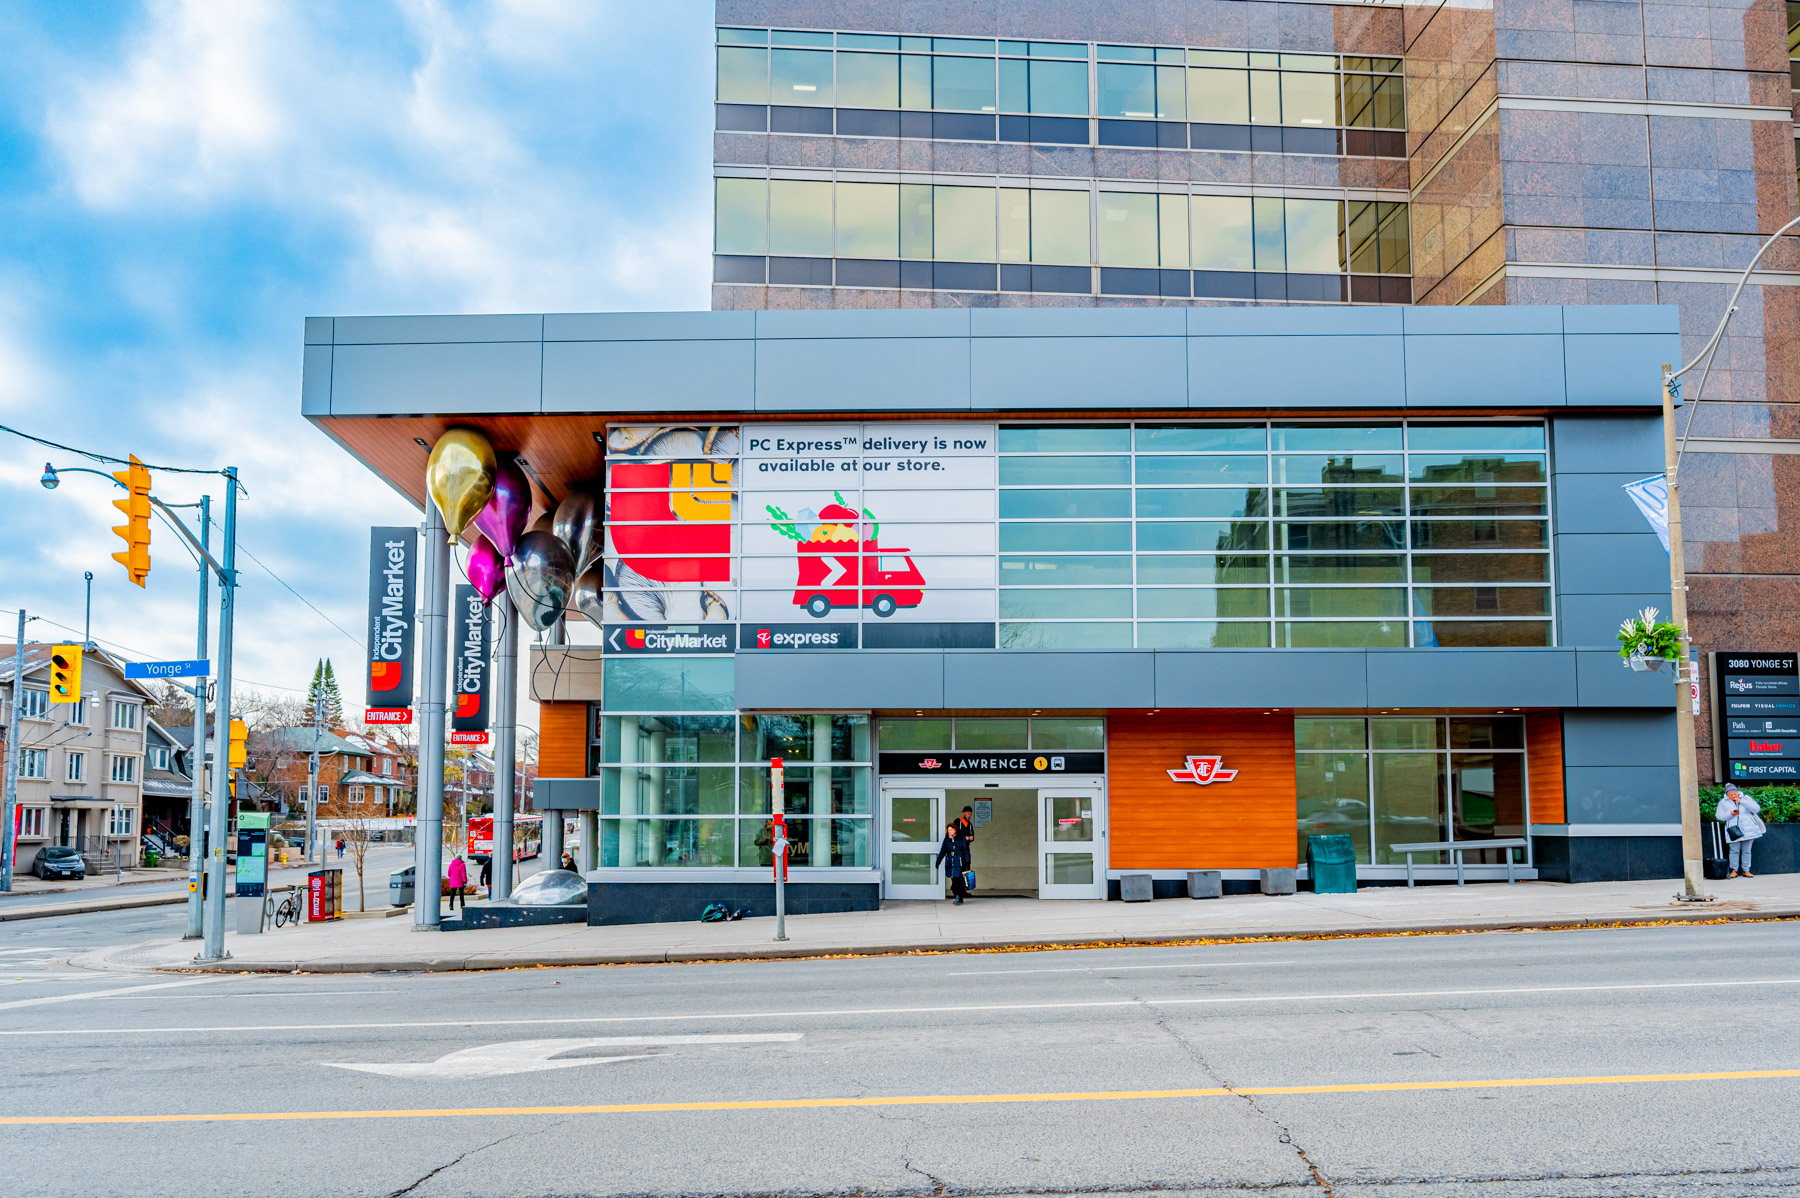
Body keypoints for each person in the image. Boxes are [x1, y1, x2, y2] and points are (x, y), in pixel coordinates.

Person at [1716, 783, 1766, 878]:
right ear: (1727, 795)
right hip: (1733, 829)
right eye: (1731, 795)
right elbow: (1719, 816)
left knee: (1747, 850)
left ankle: (1746, 870)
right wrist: (1730, 814)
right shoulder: (1723, 802)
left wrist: (1742, 801)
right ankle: (1734, 870)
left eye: (1735, 794)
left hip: (1748, 828)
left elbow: (1756, 809)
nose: (1733, 796)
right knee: (1734, 850)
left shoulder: (1746, 798)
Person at [936, 820, 970, 905]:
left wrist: (967, 862)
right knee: (954, 879)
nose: (949, 832)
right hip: (950, 862)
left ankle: (958, 896)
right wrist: (938, 861)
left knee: (957, 880)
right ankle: (959, 896)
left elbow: (966, 851)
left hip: (959, 861)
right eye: (948, 830)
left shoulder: (961, 838)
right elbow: (943, 851)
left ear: (955, 830)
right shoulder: (946, 840)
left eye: (951, 830)